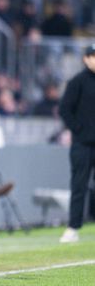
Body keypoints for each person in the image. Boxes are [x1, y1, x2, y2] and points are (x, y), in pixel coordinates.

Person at [58, 44, 95, 243]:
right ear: (86, 58)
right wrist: (78, 129)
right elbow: (64, 109)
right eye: (93, 56)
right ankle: (73, 227)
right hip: (82, 144)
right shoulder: (77, 82)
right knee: (79, 185)